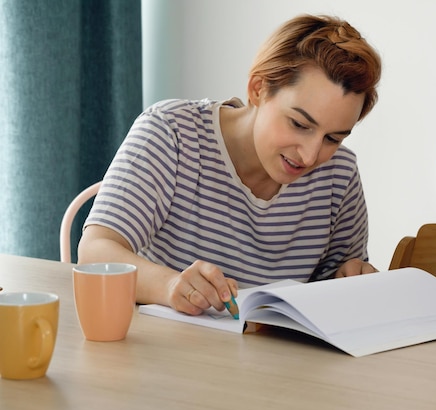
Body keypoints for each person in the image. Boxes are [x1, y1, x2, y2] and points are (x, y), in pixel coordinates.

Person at [78, 14, 382, 316]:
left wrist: (349, 277)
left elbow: (331, 290)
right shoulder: (172, 132)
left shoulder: (339, 174)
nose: (310, 156)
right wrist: (170, 286)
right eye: (300, 124)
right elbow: (95, 251)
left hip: (278, 362)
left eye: (333, 138)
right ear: (258, 88)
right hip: (165, 354)